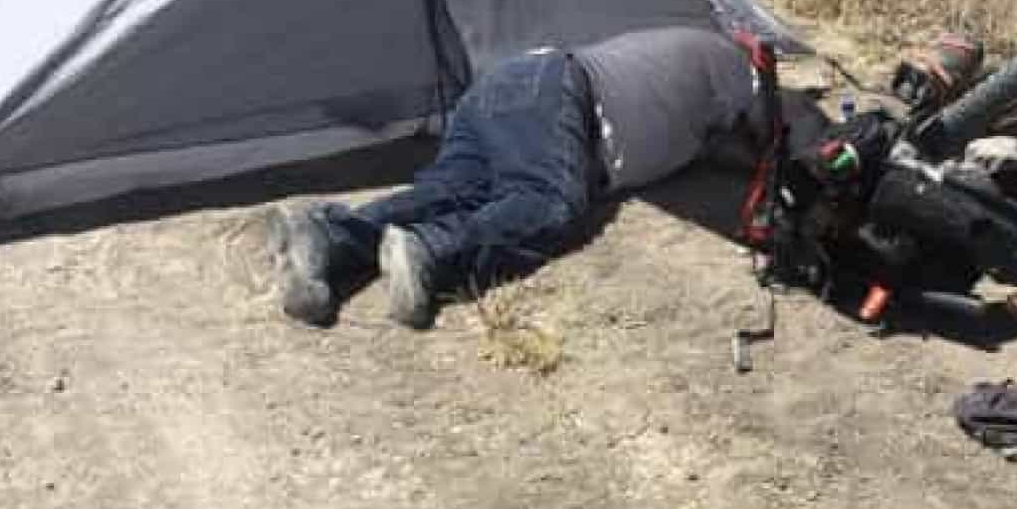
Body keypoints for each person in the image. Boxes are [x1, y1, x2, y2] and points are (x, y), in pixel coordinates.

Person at [263, 26, 765, 329]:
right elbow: (768, 139)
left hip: (506, 87)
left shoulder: (691, 71)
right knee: (549, 202)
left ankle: (328, 238)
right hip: (559, 95)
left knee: (452, 189)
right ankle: (433, 250)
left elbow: (715, 140)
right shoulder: (736, 68)